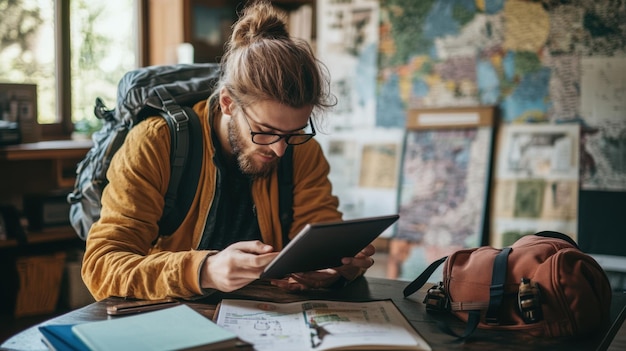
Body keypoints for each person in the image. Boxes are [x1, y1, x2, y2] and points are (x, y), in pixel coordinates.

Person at [81, 0, 376, 301]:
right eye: (265, 131)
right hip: (173, 318)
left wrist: (331, 271)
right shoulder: (156, 143)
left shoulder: (302, 151)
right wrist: (205, 270)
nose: (279, 149)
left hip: (268, 321)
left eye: (293, 132)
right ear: (228, 103)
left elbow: (318, 235)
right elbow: (102, 267)